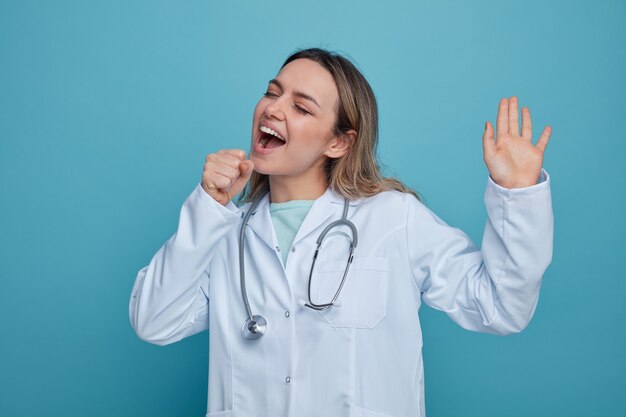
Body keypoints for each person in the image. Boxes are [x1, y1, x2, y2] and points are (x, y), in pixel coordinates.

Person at [129, 47, 553, 417]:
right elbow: (153, 321)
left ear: (339, 143)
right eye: (273, 92)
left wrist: (516, 194)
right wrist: (208, 207)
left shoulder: (394, 219)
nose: (273, 108)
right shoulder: (224, 233)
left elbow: (502, 307)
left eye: (302, 106)